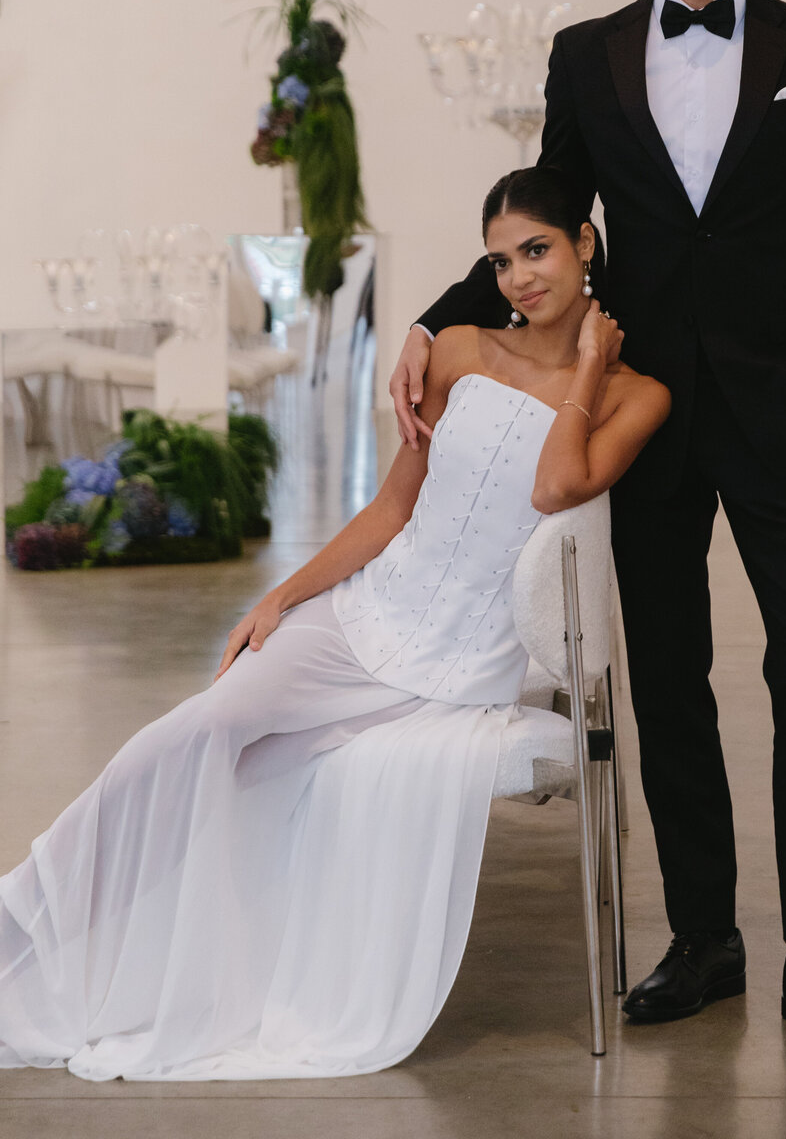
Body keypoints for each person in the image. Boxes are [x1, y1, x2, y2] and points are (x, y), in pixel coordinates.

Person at [391, 0, 786, 1042]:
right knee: (672, 676)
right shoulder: (587, 55)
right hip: (640, 409)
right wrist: (435, 322)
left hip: (778, 405)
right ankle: (704, 941)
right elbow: (550, 233)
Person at [0, 168, 668, 1081]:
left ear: (583, 244)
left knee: (271, 773)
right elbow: (392, 510)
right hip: (361, 619)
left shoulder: (637, 395)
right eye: (501, 260)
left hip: (456, 670)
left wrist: (588, 365)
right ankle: (27, 916)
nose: (519, 277)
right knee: (206, 730)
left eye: (537, 251)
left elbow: (558, 485)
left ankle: (186, 967)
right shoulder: (462, 350)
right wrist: (282, 598)